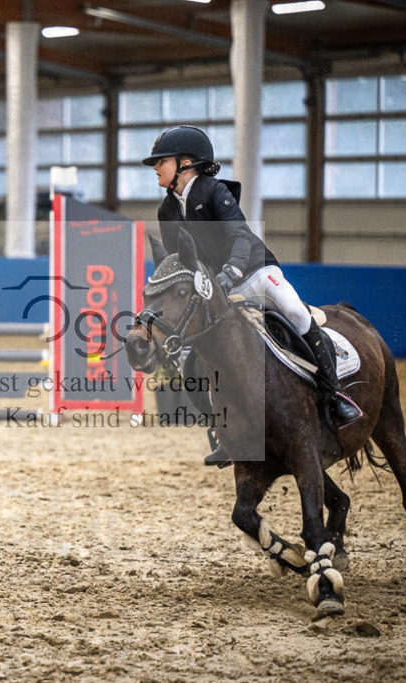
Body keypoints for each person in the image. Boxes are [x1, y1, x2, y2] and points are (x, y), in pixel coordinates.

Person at [142, 126, 361, 462]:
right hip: (215, 289)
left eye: (161, 161)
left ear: (185, 163)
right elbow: (180, 263)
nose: (156, 167)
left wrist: (231, 271)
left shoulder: (215, 192)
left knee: (297, 311)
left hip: (254, 272)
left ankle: (335, 397)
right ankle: (219, 428)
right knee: (189, 354)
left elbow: (241, 237)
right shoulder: (167, 212)